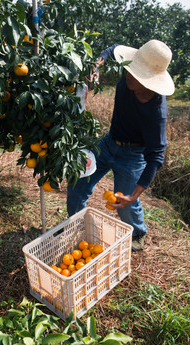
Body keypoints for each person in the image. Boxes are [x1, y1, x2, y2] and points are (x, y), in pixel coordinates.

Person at [67, 39, 175, 251]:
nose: (127, 73)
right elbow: (112, 49)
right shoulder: (129, 78)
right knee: (78, 183)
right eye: (131, 67)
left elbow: (156, 157)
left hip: (134, 156)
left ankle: (137, 233)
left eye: (135, 72)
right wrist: (96, 66)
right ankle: (78, 225)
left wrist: (133, 194)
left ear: (148, 81)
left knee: (125, 204)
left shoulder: (156, 112)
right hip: (107, 143)